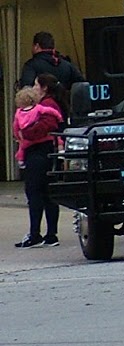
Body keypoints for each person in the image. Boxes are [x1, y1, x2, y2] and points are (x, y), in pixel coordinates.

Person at [14, 74, 66, 247]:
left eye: (36, 85)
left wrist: (25, 134)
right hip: (46, 152)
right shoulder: (46, 105)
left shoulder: (45, 106)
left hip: (38, 153)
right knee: (47, 194)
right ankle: (50, 234)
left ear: (44, 88)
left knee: (35, 192)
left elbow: (47, 126)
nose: (34, 87)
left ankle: (36, 233)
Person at [18, 31, 85, 96]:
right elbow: (82, 86)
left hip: (41, 106)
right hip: (64, 106)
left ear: (36, 46)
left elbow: (26, 90)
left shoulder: (31, 65)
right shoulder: (68, 66)